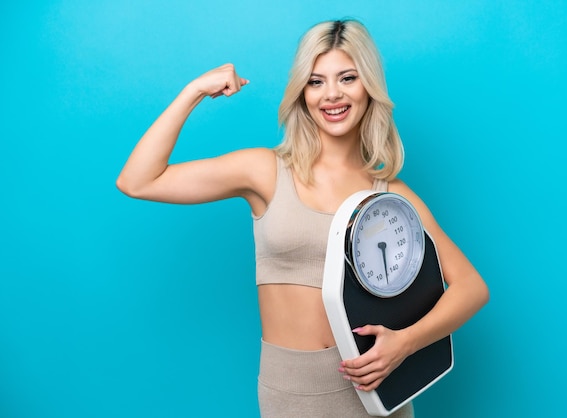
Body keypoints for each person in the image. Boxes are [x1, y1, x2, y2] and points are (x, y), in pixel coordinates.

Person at [117, 19, 489, 418]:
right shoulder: (265, 171)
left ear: (369, 88)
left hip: (379, 395)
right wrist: (194, 91)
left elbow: (471, 287)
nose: (332, 94)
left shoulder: (391, 197)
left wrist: (405, 343)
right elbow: (138, 180)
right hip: (290, 393)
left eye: (347, 77)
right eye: (316, 82)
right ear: (302, 93)